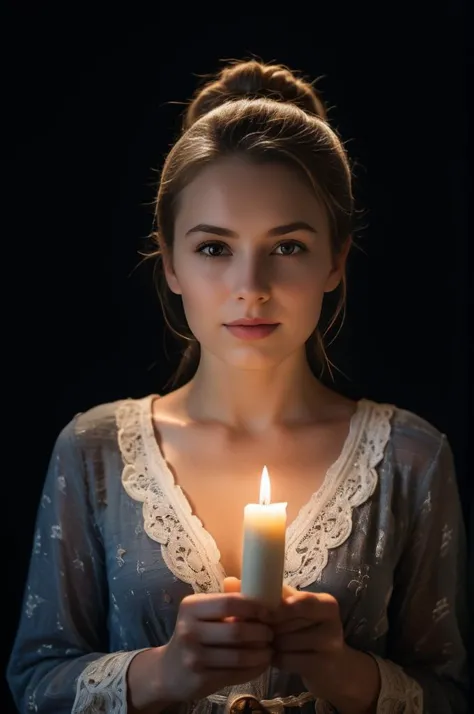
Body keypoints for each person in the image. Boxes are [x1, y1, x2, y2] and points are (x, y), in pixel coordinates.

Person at [7, 59, 468, 714]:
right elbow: (34, 680)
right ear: (169, 262)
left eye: (287, 247)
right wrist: (163, 675)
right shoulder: (94, 453)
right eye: (215, 248)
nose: (251, 287)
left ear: (335, 259)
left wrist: (344, 673)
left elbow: (452, 691)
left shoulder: (412, 459)